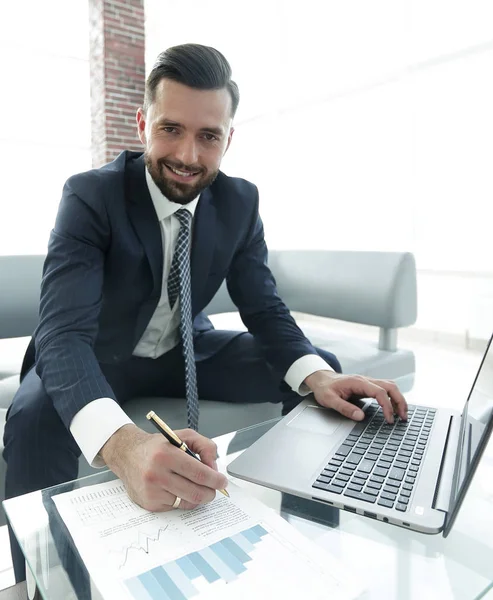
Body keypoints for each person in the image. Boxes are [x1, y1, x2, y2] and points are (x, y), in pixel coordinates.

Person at [3, 43, 407, 582]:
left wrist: (319, 374)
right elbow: (62, 333)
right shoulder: (90, 196)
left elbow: (263, 305)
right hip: (95, 356)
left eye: (208, 136)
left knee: (318, 375)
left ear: (228, 139)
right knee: (31, 417)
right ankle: (43, 583)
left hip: (182, 349)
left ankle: (311, 537)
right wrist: (123, 447)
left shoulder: (240, 202)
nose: (189, 156)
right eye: (171, 129)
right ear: (143, 121)